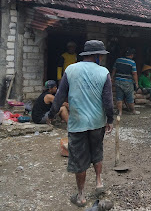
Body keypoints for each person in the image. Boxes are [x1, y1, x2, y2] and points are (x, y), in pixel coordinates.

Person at [48, 40, 114, 207]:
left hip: (77, 123)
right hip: (97, 123)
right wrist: (110, 120)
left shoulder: (71, 70)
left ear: (85, 55)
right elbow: (108, 101)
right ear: (98, 56)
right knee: (97, 151)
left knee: (80, 159)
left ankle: (81, 196)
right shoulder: (104, 72)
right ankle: (99, 181)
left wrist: (51, 114)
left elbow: (60, 96)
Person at [111, 48, 139, 116]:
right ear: (132, 55)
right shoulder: (132, 62)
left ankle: (120, 112)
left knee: (119, 97)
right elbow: (134, 73)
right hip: (128, 82)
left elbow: (114, 70)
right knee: (130, 97)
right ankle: (133, 111)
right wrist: (136, 83)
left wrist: (112, 78)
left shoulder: (118, 60)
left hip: (118, 81)